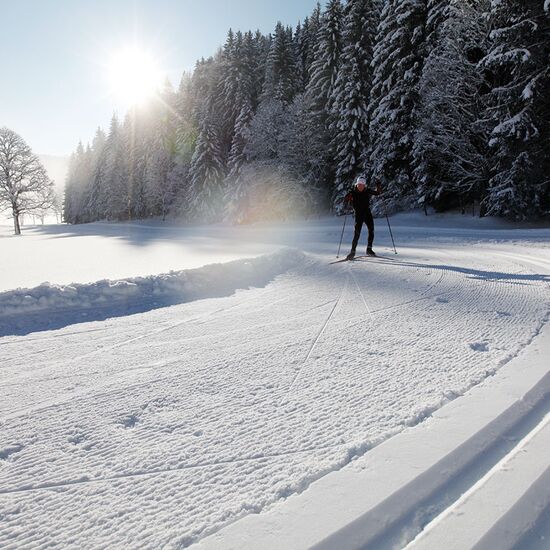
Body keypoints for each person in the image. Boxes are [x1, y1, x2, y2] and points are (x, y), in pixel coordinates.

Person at [343, 175, 382, 260]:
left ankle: (369, 249)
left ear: (364, 186)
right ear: (356, 184)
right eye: (359, 185)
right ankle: (352, 252)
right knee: (357, 234)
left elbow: (378, 193)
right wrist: (348, 198)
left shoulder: (367, 190)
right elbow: (345, 199)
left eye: (362, 185)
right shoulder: (352, 192)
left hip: (367, 213)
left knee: (371, 230)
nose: (360, 186)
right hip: (359, 215)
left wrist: (378, 185)